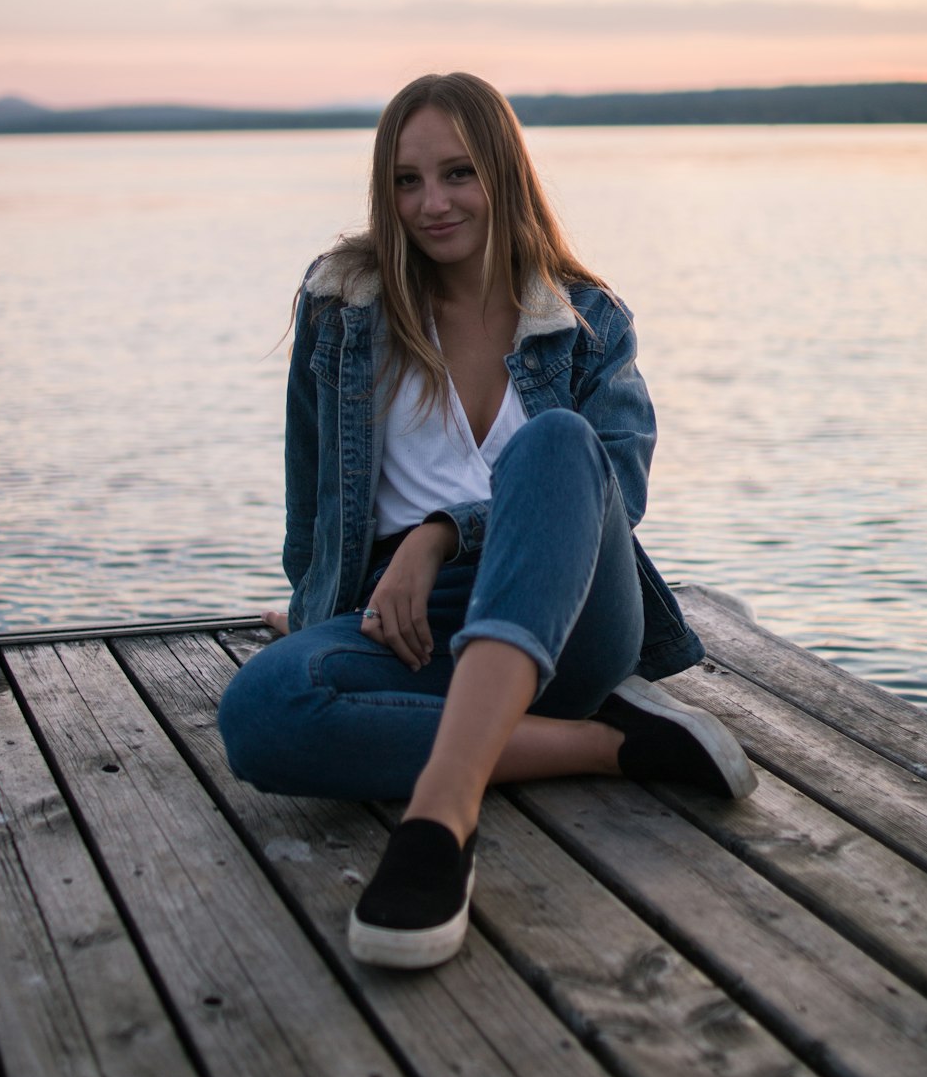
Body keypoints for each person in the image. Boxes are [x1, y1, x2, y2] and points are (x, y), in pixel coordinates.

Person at [218, 71, 756, 971]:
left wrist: (441, 534)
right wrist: (314, 619)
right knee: (264, 711)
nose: (432, 203)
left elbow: (612, 484)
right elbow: (310, 498)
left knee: (557, 440)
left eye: (458, 173)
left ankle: (442, 816)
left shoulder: (586, 319)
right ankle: (602, 744)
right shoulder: (343, 307)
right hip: (414, 628)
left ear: (504, 174)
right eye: (407, 180)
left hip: (571, 611)